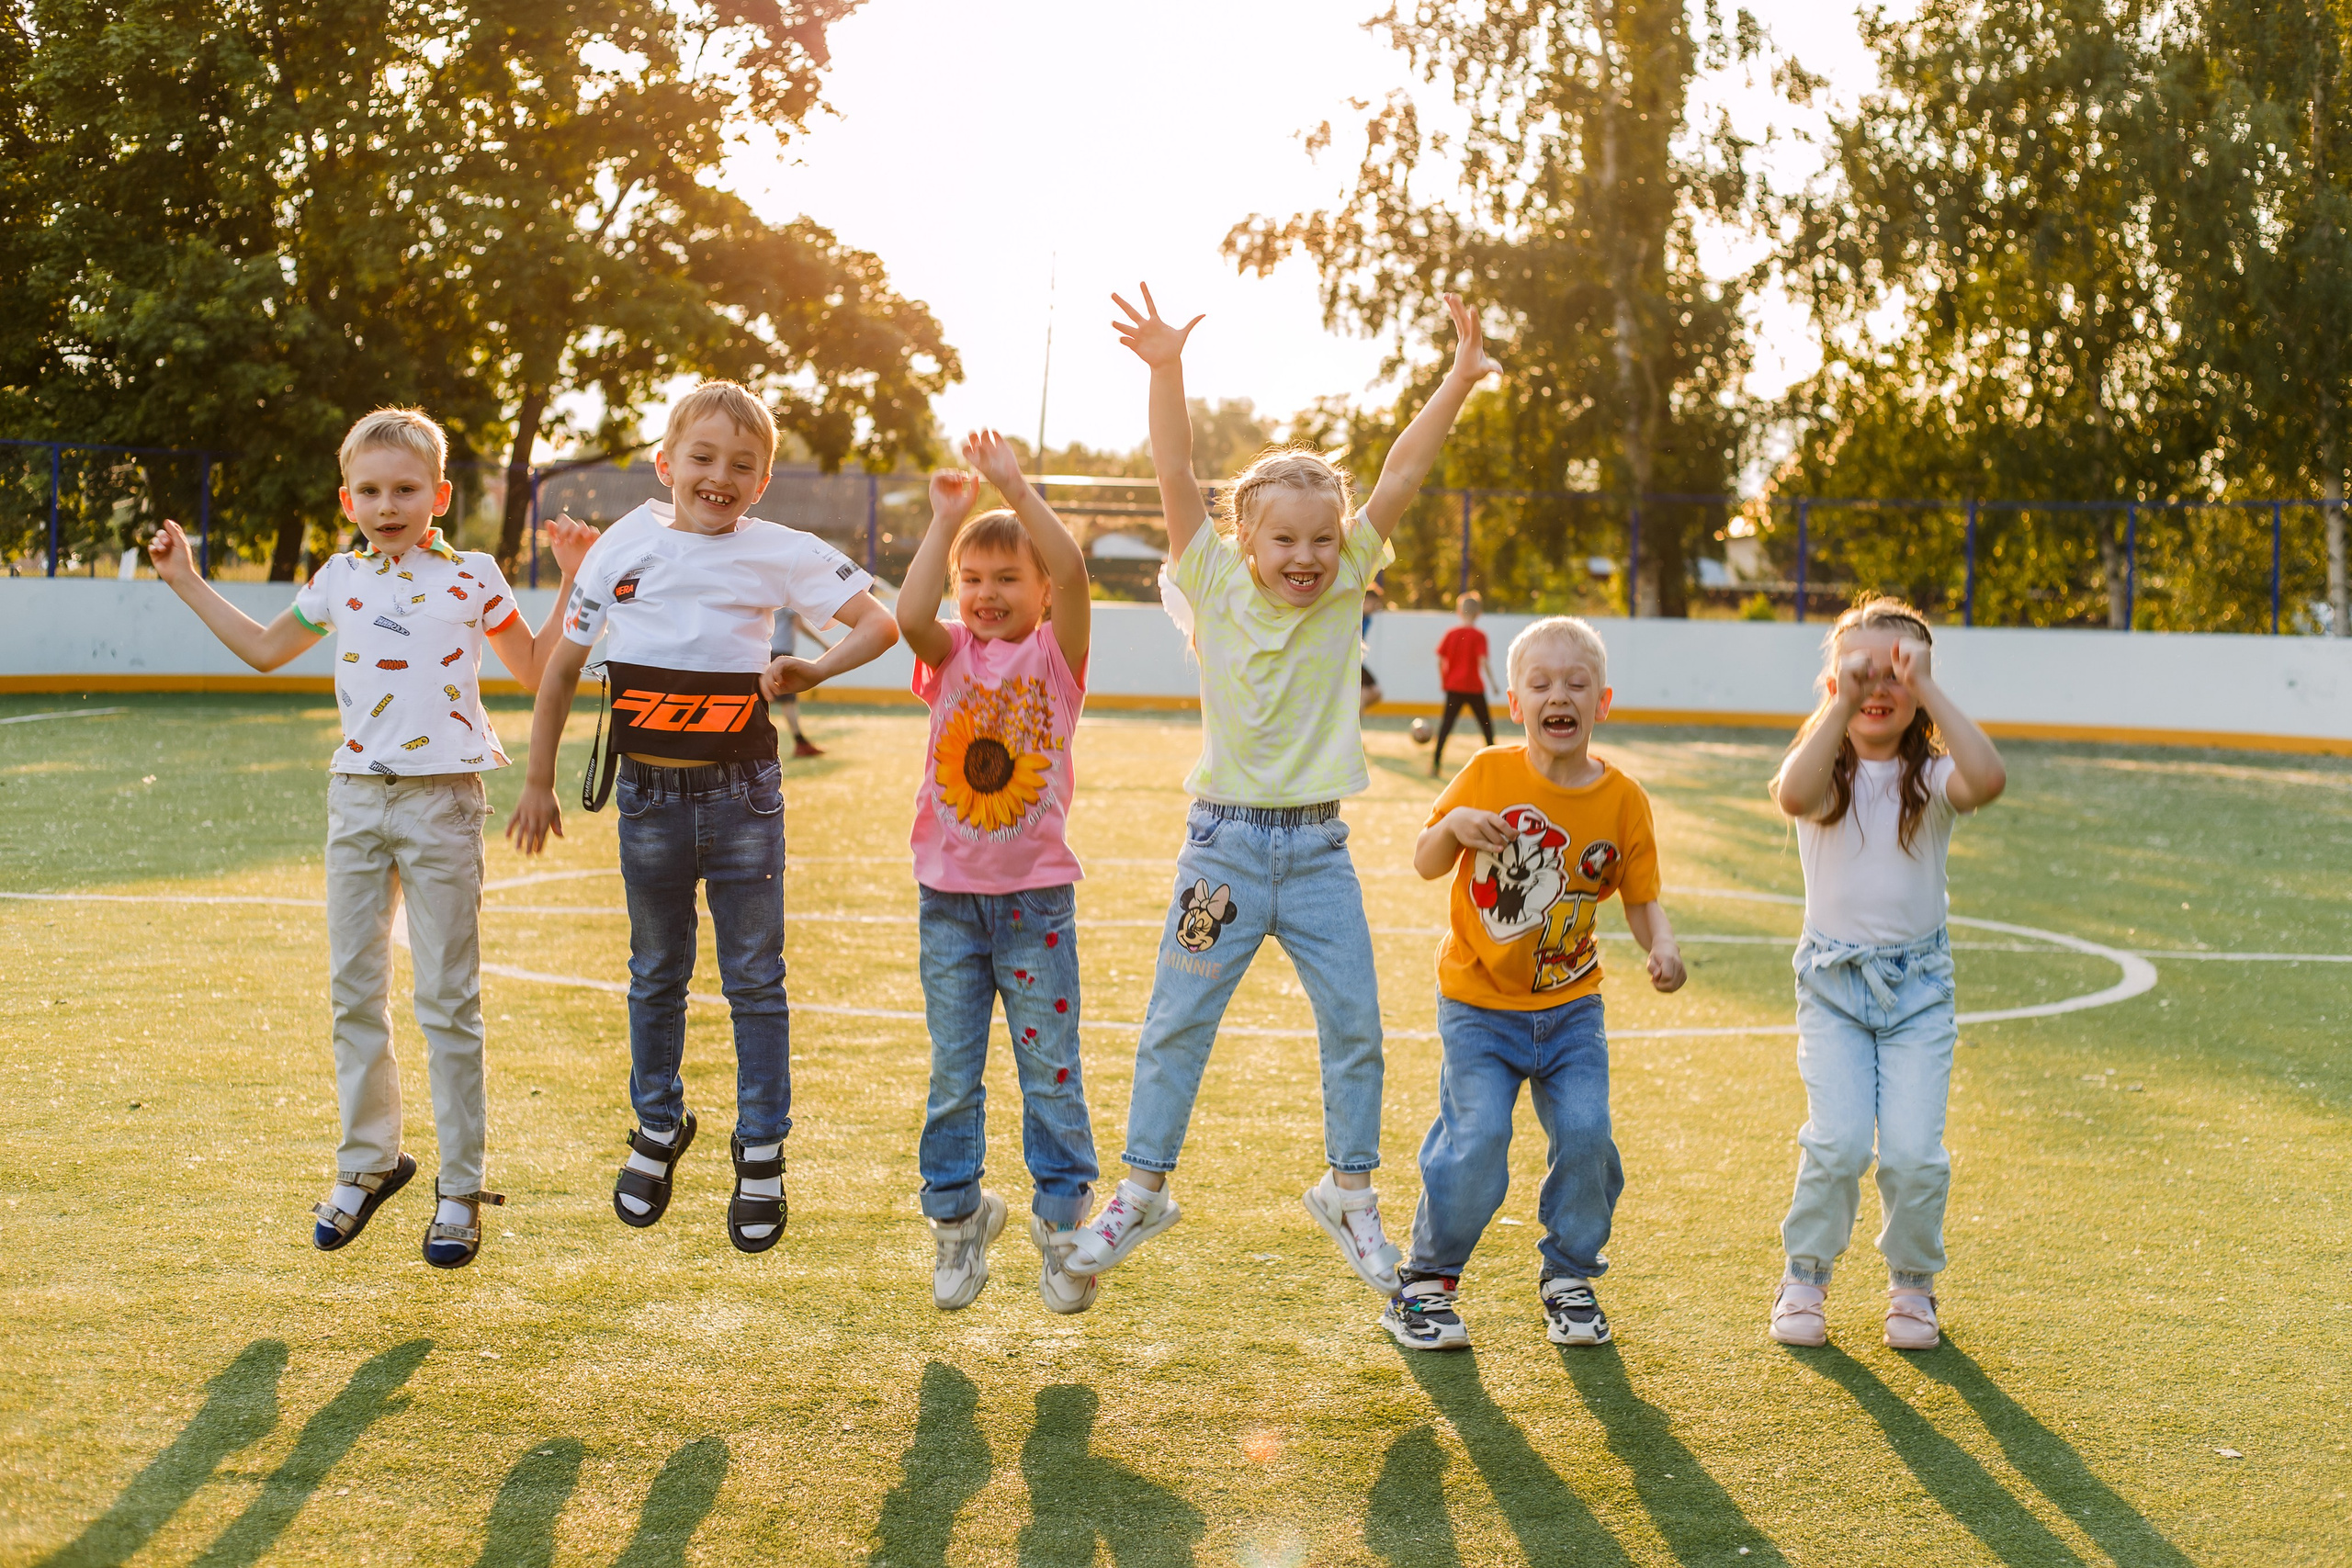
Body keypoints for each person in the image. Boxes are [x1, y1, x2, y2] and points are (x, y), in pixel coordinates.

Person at [1062, 283, 1500, 1294]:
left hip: (1315, 855)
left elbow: (1401, 468)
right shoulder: (1210, 581)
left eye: (1319, 538)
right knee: (1178, 1021)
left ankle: (1349, 1193)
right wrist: (1168, 370)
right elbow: (1174, 469)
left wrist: (1458, 381)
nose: (1304, 557)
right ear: (1243, 540)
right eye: (1283, 541)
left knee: (1355, 1023)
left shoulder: (1348, 573)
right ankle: (1141, 1191)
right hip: (1219, 851)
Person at [146, 407, 594, 1269]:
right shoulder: (336, 580)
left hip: (442, 803)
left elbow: (538, 670)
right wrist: (185, 580)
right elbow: (265, 650)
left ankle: (460, 1189)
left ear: (440, 494)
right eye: (371, 490)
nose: (388, 504)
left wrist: (572, 578)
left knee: (446, 1001)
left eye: (406, 489)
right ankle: (369, 1162)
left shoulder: (473, 576)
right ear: (346, 496)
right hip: (355, 801)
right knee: (355, 994)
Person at [506, 380, 899, 1253]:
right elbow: (563, 669)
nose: (720, 476)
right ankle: (658, 1126)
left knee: (755, 977)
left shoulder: (782, 551)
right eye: (704, 458)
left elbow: (879, 624)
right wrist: (538, 778)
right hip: (646, 797)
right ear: (667, 463)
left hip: (744, 797)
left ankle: (761, 1148)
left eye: (742, 466)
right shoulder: (619, 547)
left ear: (761, 484)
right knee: (656, 971)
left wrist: (814, 669)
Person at [1383, 617, 1685, 1351]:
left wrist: (1663, 944)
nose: (1560, 695)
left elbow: (1640, 897)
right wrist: (1454, 821)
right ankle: (1425, 1281)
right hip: (1479, 1005)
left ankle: (1569, 1277)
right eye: (1542, 684)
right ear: (1514, 701)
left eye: (1576, 684)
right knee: (1478, 1136)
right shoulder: (1487, 772)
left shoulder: (1623, 800)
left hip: (1572, 1007)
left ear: (1602, 701)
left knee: (1586, 1133)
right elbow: (1425, 860)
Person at [1765, 595, 2007, 1350]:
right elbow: (1791, 794)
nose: (1880, 685)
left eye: (1898, 672)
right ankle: (1804, 1273)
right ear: (1832, 682)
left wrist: (1928, 685)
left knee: (1911, 1152)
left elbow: (1989, 778)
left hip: (1918, 991)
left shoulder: (1932, 777)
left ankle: (1912, 1284)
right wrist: (1844, 693)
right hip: (1833, 986)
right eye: (1860, 669)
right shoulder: (1823, 773)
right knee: (1836, 1143)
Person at [897, 428, 1102, 1314]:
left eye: (1008, 579)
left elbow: (1078, 572)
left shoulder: (1056, 659)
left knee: (1050, 1067)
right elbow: (908, 617)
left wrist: (1014, 489)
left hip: (1034, 905)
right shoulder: (947, 657)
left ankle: (1061, 1228)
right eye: (973, 581)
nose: (986, 594)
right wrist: (945, 523)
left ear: (1043, 594)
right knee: (954, 1072)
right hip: (947, 904)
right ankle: (957, 1219)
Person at [1431, 590, 1498, 774]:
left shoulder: (1451, 633)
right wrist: (1493, 684)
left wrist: (1444, 680)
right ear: (1479, 613)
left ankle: (1436, 765)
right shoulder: (1479, 636)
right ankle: (1494, 763)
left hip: (1454, 687)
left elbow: (1439, 660)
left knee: (1446, 726)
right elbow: (1483, 661)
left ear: (1459, 611)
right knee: (1486, 726)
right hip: (1475, 688)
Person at [770, 608, 825, 758]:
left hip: (771, 651)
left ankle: (800, 742)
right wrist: (823, 644)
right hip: (780, 654)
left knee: (772, 698)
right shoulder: (788, 602)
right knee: (788, 700)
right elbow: (800, 625)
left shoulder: (774, 598)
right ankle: (801, 743)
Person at [1359, 585, 1385, 712]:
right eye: (1373, 602)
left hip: (1359, 662)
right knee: (1364, 694)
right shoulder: (1356, 616)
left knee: (1375, 692)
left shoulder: (1368, 618)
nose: (1376, 606)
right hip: (1352, 663)